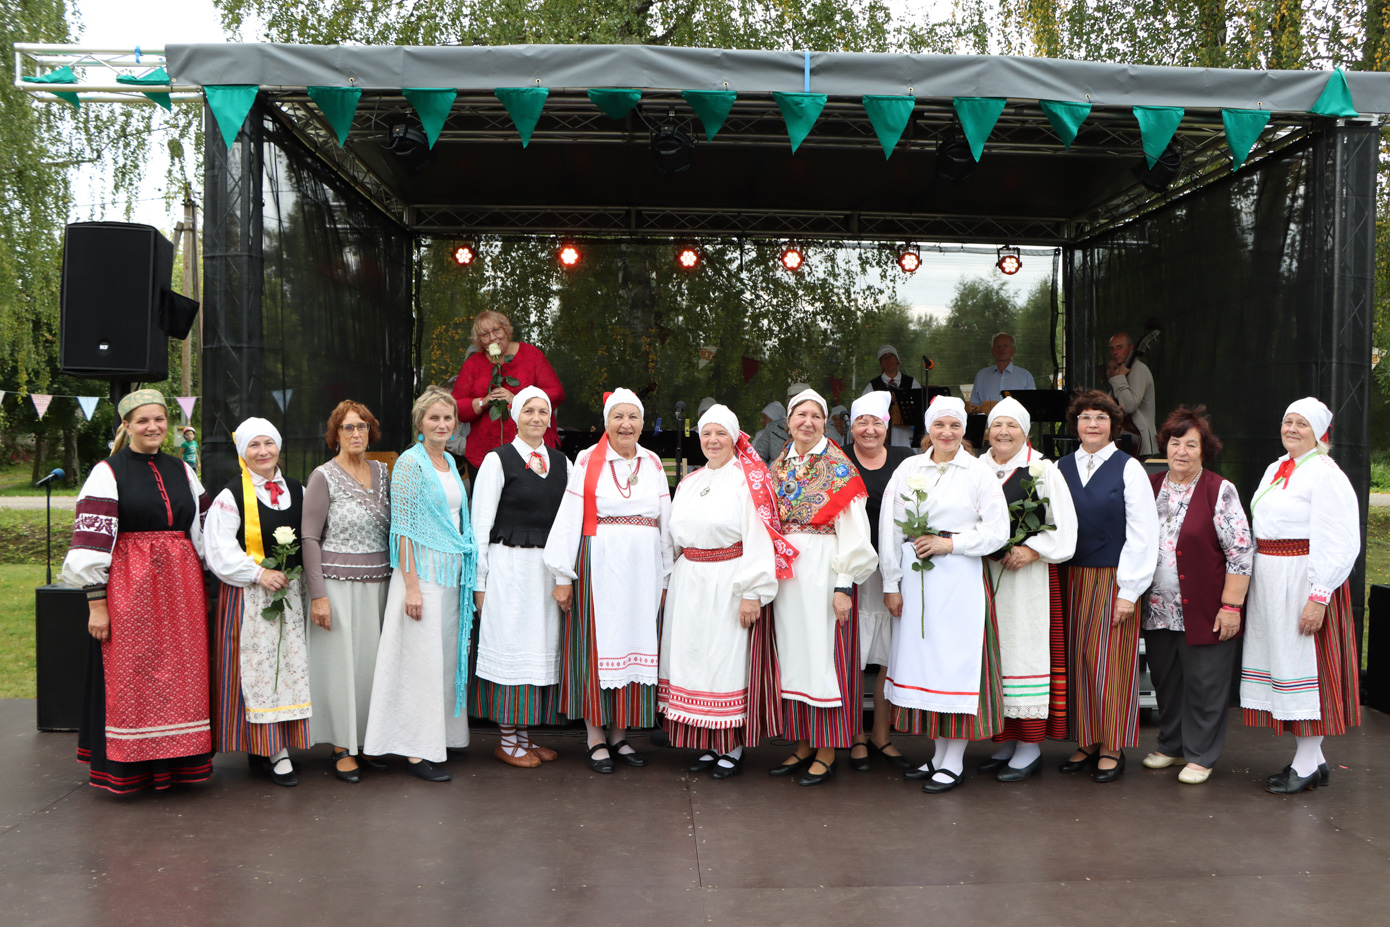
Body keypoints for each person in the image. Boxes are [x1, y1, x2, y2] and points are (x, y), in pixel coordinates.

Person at [61, 389, 213, 794]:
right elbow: (90, 543)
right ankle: (132, 769)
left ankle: (179, 766)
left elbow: (205, 531)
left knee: (182, 676)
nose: (153, 427)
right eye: (143, 421)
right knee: (135, 673)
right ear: (126, 426)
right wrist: (97, 603)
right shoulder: (107, 472)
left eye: (159, 420)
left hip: (182, 590)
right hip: (132, 586)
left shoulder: (183, 470)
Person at [880, 396, 1010, 792]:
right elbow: (889, 524)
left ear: (965, 430)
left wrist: (950, 544)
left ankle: (953, 760)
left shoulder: (977, 472)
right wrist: (891, 580)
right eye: (940, 425)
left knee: (954, 665)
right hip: (917, 581)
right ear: (928, 430)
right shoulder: (908, 467)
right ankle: (938, 754)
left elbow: (998, 530)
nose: (947, 433)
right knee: (926, 665)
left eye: (955, 426)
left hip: (958, 579)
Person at [544, 388, 674, 773]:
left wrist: (666, 576)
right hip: (598, 566)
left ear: (642, 423)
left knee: (636, 643)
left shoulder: (651, 462)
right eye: (618, 417)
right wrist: (562, 575)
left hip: (644, 570)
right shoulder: (587, 459)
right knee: (596, 647)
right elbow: (570, 515)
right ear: (606, 422)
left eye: (632, 417)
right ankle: (595, 737)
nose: (626, 424)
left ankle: (619, 735)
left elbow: (665, 522)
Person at [1241, 397, 1361, 794]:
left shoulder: (1325, 473)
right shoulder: (1278, 468)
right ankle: (1316, 759)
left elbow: (1340, 539)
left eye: (1301, 424)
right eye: (1287, 421)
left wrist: (1319, 594)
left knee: (1307, 671)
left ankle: (1307, 763)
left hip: (1303, 580)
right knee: (1286, 667)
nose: (1291, 429)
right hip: (1272, 580)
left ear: (1319, 432)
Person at [659, 404, 786, 779]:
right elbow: (673, 539)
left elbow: (760, 537)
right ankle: (709, 744)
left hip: (729, 579)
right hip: (690, 580)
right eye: (706, 434)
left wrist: (753, 591)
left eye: (720, 433)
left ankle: (731, 746)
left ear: (734, 437)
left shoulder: (750, 478)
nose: (712, 441)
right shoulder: (689, 481)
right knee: (694, 658)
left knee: (724, 662)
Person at [363, 386, 478, 782]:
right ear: (420, 424)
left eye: (448, 418)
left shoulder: (449, 460)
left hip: (450, 578)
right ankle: (415, 750)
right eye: (435, 418)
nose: (443, 424)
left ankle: (441, 736)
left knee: (444, 661)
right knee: (419, 664)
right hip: (422, 577)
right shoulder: (410, 465)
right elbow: (404, 531)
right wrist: (411, 587)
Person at [764, 388, 878, 786]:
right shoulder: (779, 465)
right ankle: (803, 743)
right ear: (788, 421)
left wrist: (843, 585)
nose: (807, 422)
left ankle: (827, 749)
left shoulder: (838, 466)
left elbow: (855, 532)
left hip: (825, 573)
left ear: (825, 422)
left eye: (816, 416)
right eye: (801, 415)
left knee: (825, 658)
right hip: (789, 577)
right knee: (795, 655)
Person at [1140, 406, 1253, 785]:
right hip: (1157, 609)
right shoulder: (1149, 487)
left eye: (1192, 444)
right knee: (1166, 681)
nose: (1182, 451)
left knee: (1205, 683)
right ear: (1165, 447)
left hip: (1205, 608)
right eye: (1175, 443)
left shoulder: (1219, 490)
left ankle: (1201, 754)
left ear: (1204, 451)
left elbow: (1240, 551)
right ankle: (1172, 745)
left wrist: (1231, 606)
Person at [1055, 390, 1159, 783]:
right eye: (1085, 417)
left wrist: (1129, 591)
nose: (1092, 424)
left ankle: (1112, 744)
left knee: (1110, 662)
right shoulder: (1061, 467)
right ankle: (1087, 739)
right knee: (1077, 660)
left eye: (1100, 417)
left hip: (1112, 577)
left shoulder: (1128, 468)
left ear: (1113, 425)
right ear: (1076, 424)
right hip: (1069, 576)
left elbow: (1143, 534)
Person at [205, 417, 312, 787]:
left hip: (291, 596)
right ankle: (270, 750)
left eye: (268, 443)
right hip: (250, 597)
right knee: (260, 671)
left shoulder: (298, 489)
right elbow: (218, 549)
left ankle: (276, 744)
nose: (263, 451)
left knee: (289, 668)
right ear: (242, 453)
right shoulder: (231, 496)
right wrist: (258, 573)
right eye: (254, 445)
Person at [469, 386, 571, 768]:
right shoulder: (498, 461)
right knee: (511, 647)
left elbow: (568, 524)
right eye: (528, 410)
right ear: (515, 415)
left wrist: (565, 574)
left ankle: (524, 738)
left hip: (545, 572)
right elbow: (480, 526)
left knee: (538, 649)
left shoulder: (563, 463)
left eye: (542, 411)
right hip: (509, 570)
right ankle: (506, 740)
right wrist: (479, 583)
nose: (536, 418)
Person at [977, 397, 1078, 781]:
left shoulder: (1042, 471)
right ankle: (1006, 739)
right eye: (997, 425)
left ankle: (1030, 745)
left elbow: (1065, 529)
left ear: (1026, 432)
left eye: (1012, 426)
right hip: (985, 578)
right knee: (994, 653)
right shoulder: (975, 470)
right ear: (987, 431)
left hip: (1027, 579)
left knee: (1023, 649)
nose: (1003, 432)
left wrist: (1032, 549)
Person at [302, 400, 391, 783]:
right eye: (348, 428)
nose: (356, 434)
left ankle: (368, 741)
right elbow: (308, 536)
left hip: (380, 587)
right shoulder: (323, 476)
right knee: (339, 670)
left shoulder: (384, 473)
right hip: (336, 588)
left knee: (372, 670)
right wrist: (318, 594)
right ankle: (341, 746)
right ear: (335, 434)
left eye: (363, 427)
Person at [842, 390, 916, 772]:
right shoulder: (838, 460)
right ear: (851, 427)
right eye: (862, 422)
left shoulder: (907, 461)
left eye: (877, 422)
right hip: (850, 572)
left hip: (894, 573)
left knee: (889, 653)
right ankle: (855, 734)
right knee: (852, 654)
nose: (869, 430)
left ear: (887, 426)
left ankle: (882, 735)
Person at [450, 310, 564, 482]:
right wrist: (483, 401)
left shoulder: (531, 355)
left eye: (497, 330)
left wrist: (518, 399)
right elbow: (456, 407)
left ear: (506, 330)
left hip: (530, 451)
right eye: (485, 334)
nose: (493, 338)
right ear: (479, 340)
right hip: (484, 455)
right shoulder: (473, 364)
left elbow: (556, 392)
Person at [1107, 332, 1157, 456]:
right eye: (1112, 348)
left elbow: (1129, 406)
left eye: (1119, 347)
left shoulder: (1138, 369)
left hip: (1140, 442)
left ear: (1131, 348)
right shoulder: (1122, 371)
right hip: (1128, 439)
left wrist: (1119, 378)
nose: (1115, 352)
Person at [862, 345, 922, 447]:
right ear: (880, 363)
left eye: (891, 356)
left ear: (897, 360)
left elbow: (919, 405)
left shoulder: (912, 382)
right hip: (883, 432)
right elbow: (864, 409)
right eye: (884, 358)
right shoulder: (872, 385)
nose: (888, 360)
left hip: (907, 432)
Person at [970, 332, 1035, 406]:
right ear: (992, 350)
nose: (1001, 349)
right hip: (988, 417)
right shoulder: (981, 375)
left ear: (1013, 351)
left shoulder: (1025, 376)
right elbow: (974, 406)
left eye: (1005, 346)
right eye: (997, 346)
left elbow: (1031, 406)